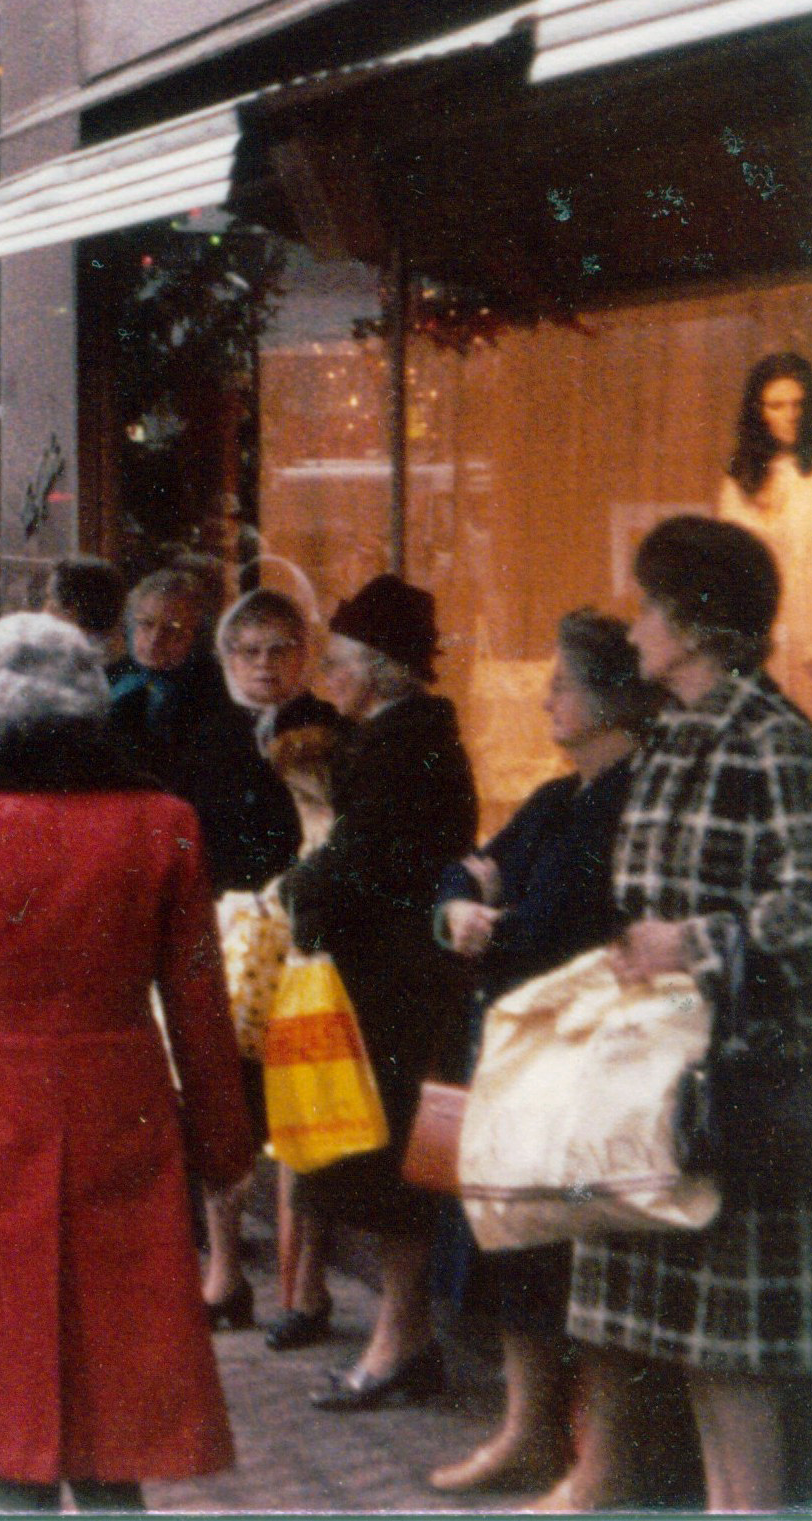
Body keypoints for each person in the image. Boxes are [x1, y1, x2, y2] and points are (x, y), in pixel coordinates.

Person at [0, 612, 256, 1510]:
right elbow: (199, 994)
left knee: (1, 1371)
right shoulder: (164, 824)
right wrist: (224, 1142)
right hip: (119, 1099)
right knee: (112, 1372)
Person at [558, 516, 812, 1513]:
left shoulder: (772, 738)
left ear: (700, 623)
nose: (634, 630)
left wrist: (692, 945)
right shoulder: (670, 738)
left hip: (738, 1084)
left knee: (734, 1356)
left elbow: (811, 902)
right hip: (660, 1076)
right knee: (692, 1347)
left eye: (650, 607)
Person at [424, 610, 652, 1496]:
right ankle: (525, 1429)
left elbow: (572, 931)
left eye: (563, 681)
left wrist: (494, 918)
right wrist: (457, 912)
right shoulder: (558, 798)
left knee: (571, 1258)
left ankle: (594, 1457)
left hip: (581, 1056)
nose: (547, 696)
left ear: (609, 697)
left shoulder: (632, 800)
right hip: (515, 1054)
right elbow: (469, 868)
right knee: (511, 1248)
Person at [276, 573, 476, 1411]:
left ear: (385, 668)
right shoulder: (402, 736)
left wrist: (295, 891)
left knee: (391, 1170)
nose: (330, 673)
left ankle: (400, 1342)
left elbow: (359, 863)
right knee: (385, 1168)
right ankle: (405, 1339)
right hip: (393, 977)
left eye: (343, 659)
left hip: (394, 984)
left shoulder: (401, 744)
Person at [107, 568, 301, 1330]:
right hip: (183, 911)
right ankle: (201, 1242)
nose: (157, 641)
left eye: (175, 629)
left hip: (264, 919)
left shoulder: (251, 714)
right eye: (146, 625)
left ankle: (276, 1270)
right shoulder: (129, 700)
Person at [207, 586, 349, 1349]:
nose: (264, 665)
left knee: (300, 1109)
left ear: (304, 655)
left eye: (280, 649)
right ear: (227, 657)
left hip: (304, 938)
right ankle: (225, 1273)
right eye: (248, 650)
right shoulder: (200, 730)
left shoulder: (329, 730)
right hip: (226, 933)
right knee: (222, 1107)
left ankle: (305, 1285)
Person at [715, 350, 812, 716]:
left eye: (798, 404)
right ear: (758, 410)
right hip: (763, 633)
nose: (790, 415)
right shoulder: (739, 479)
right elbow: (731, 564)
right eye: (777, 405)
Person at [46, 556, 130, 672]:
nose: (45, 608)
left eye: (50, 598)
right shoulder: (122, 655)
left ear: (71, 610)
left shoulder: (65, 667)